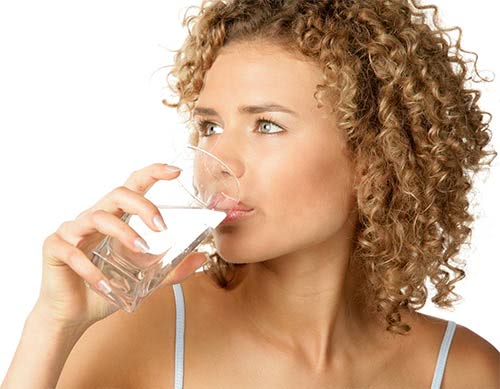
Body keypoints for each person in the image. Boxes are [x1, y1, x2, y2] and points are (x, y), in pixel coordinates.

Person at [2, 0, 499, 388]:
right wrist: (53, 326)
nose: (221, 162)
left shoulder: (464, 372)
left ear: (375, 156)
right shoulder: (142, 333)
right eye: (210, 126)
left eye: (266, 124)